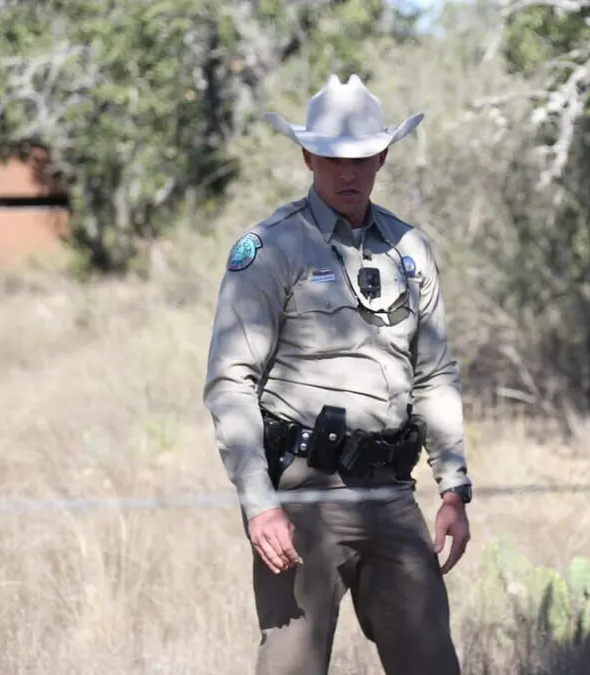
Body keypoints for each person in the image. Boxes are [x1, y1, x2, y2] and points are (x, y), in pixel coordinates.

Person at [202, 74, 473, 675]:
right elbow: (231, 381)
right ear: (307, 156)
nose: (346, 173)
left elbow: (434, 373)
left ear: (382, 156)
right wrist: (257, 502)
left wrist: (453, 486)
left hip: (393, 493)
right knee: (291, 668)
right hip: (304, 495)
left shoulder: (410, 248)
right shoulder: (272, 247)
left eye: (359, 159)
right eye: (331, 159)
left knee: (433, 665)